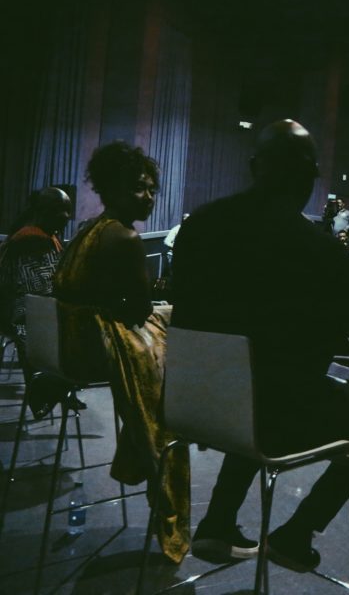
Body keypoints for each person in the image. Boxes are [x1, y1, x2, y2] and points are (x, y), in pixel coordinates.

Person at [172, 119, 349, 571]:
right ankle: (296, 534)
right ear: (308, 179)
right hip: (263, 416)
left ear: (255, 166)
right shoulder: (325, 255)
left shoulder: (199, 225)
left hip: (190, 402)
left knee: (259, 385)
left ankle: (218, 521)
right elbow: (318, 360)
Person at [52, 142, 190, 563]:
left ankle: (137, 457)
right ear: (112, 189)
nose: (147, 196)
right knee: (175, 372)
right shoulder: (126, 238)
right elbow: (141, 308)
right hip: (98, 347)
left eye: (152, 189)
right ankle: (167, 481)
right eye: (138, 188)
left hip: (68, 346)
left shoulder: (86, 231)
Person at [0, 187, 72, 386]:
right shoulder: (32, 240)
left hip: (26, 309)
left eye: (69, 210)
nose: (68, 216)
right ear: (44, 212)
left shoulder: (44, 234)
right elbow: (40, 291)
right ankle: (51, 386)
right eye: (62, 211)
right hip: (23, 314)